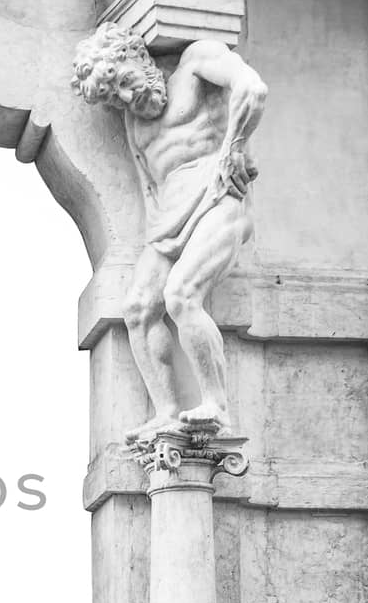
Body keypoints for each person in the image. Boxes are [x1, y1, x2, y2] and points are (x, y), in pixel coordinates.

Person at [72, 24, 267, 440]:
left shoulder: (196, 63)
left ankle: (217, 405)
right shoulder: (135, 125)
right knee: (138, 309)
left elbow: (253, 88)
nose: (127, 98)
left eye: (124, 82)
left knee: (181, 295)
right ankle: (166, 412)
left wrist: (233, 148)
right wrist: (159, 242)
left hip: (217, 197)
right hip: (169, 221)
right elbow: (149, 188)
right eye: (114, 97)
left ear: (139, 58)